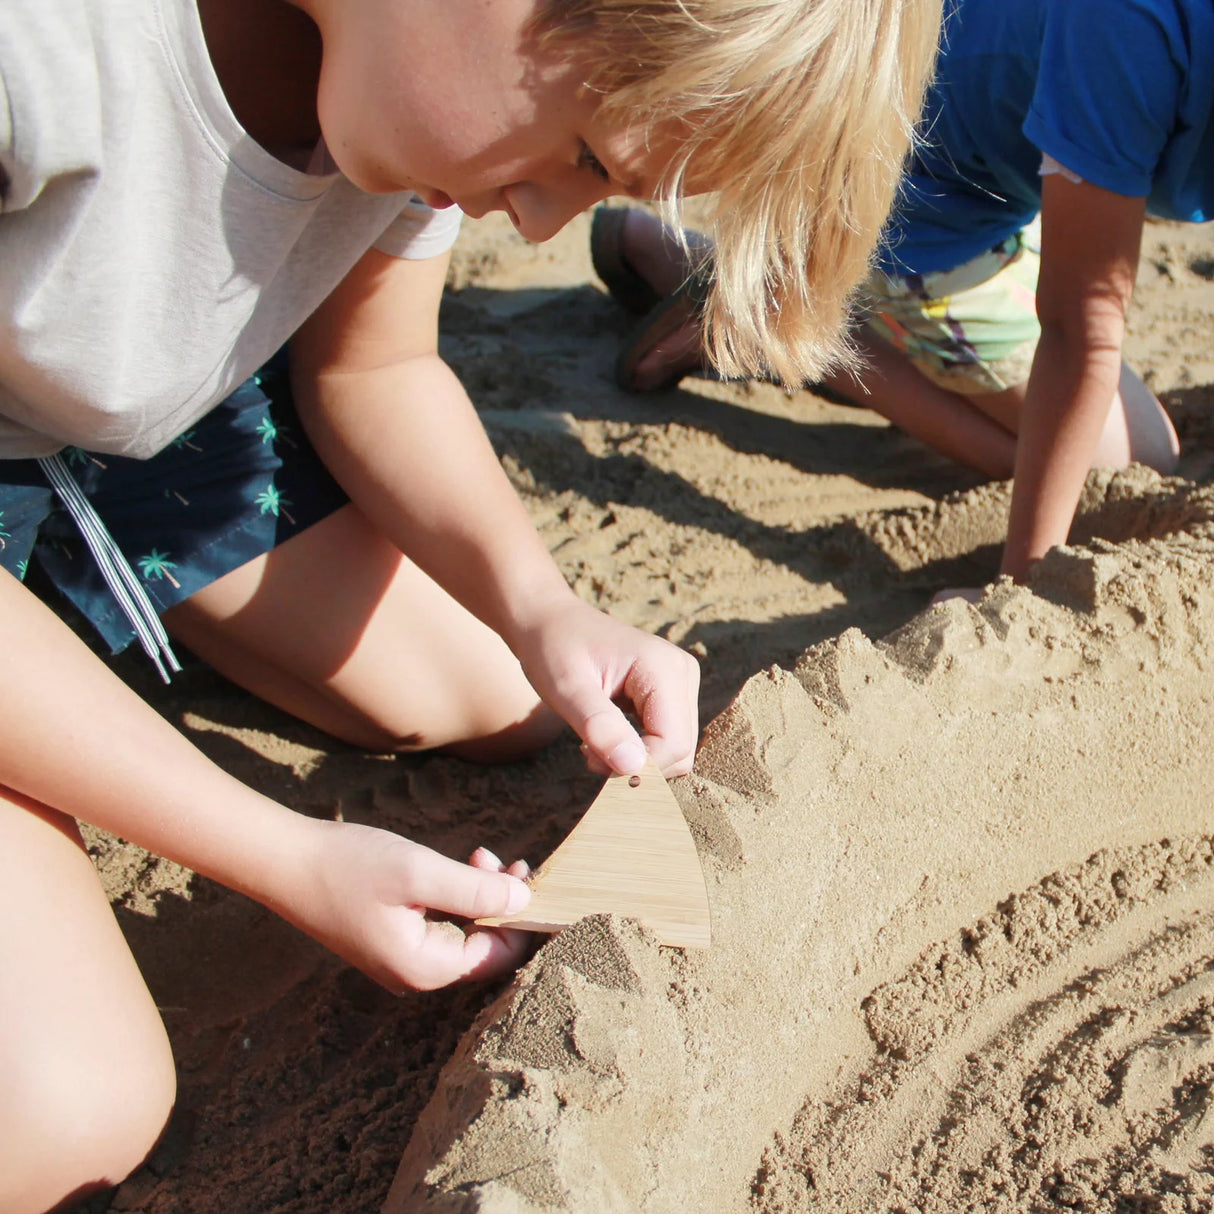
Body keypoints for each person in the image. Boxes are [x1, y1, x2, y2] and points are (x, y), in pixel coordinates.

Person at [0, 0, 943, 1207]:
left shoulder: (409, 84)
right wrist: (285, 854)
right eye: (586, 159)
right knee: (71, 1105)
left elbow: (373, 366)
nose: (541, 218)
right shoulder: (46, 53)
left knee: (497, 691)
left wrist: (544, 611)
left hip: (128, 425)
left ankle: (97, 580)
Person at [596, 0, 1212, 583]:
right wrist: (1021, 584)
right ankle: (794, 321)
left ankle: (756, 278)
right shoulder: (1132, 30)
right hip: (907, 194)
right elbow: (1082, 332)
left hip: (1002, 170)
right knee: (1120, 464)